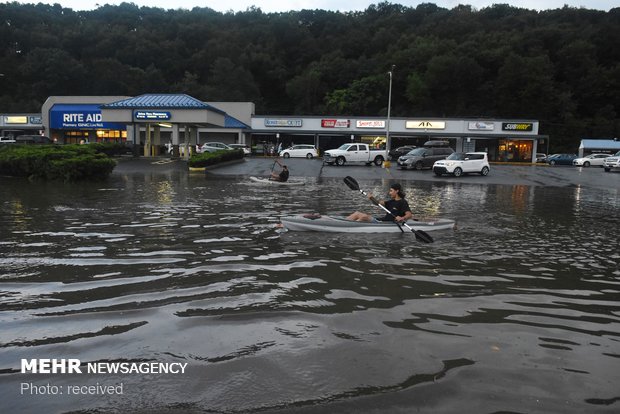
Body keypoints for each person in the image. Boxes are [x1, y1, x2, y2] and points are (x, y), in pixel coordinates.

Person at [347, 183, 412, 223]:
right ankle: (345, 222)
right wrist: (371, 198)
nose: (389, 193)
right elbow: (378, 203)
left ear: (397, 191)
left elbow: (409, 215)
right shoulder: (391, 201)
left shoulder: (403, 202)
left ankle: (351, 226)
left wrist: (401, 218)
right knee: (357, 213)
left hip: (388, 223)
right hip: (382, 220)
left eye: (391, 191)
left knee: (364, 217)